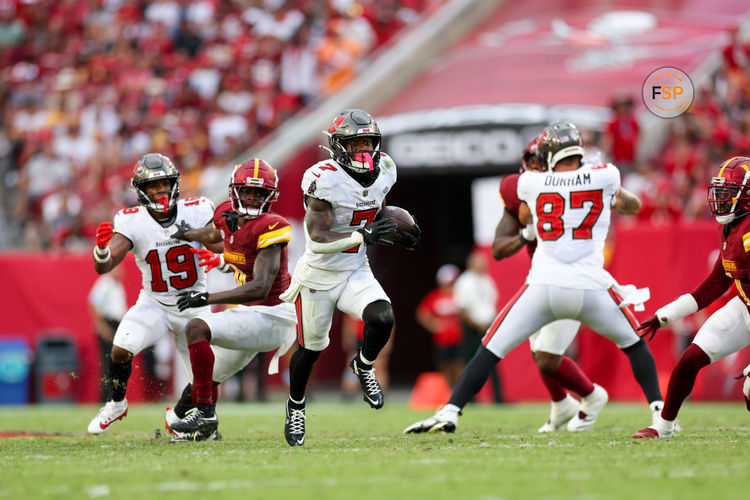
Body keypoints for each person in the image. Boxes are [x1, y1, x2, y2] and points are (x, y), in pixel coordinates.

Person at [405, 120, 663, 435]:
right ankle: (648, 411)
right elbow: (629, 205)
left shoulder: (529, 183)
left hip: (546, 283)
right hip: (583, 283)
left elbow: (531, 212)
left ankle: (452, 410)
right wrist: (597, 186)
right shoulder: (603, 176)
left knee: (493, 348)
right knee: (610, 347)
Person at [279, 108, 420, 446]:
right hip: (319, 273)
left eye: (367, 142)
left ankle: (364, 363)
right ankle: (296, 407)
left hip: (355, 268)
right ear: (339, 146)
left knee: (382, 317)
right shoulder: (323, 178)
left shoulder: (385, 167)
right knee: (311, 349)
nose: (362, 150)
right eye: (355, 142)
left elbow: (377, 206)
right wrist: (364, 236)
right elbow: (318, 238)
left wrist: (406, 226)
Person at [165, 158, 298, 441]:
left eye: (259, 193)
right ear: (234, 191)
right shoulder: (226, 213)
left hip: (272, 315)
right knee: (205, 381)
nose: (252, 198)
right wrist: (186, 233)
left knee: (196, 327)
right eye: (247, 192)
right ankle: (193, 424)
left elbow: (260, 287)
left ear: (270, 197)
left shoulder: (271, 227)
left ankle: (206, 416)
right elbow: (215, 235)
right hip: (250, 315)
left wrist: (207, 297)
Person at [86, 153, 216, 434]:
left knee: (207, 379)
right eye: (153, 187)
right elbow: (105, 265)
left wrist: (196, 234)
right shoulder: (132, 221)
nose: (160, 191)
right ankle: (116, 403)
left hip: (194, 304)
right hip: (155, 304)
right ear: (141, 192)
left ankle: (180, 417)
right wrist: (101, 250)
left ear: (175, 184)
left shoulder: (198, 208)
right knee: (120, 349)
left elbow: (219, 242)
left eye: (165, 184)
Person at [490, 136, 602, 431]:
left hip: (575, 276)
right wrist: (526, 234)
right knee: (537, 346)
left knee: (546, 354)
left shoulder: (577, 187)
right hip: (542, 278)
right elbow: (498, 249)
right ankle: (562, 404)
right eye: (532, 163)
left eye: (541, 163)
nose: (535, 169)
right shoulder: (519, 190)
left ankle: (595, 396)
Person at [633, 156, 750, 439]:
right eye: (718, 193)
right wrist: (665, 315)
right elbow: (712, 286)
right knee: (689, 360)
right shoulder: (734, 227)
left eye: (727, 194)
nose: (719, 200)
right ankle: (664, 426)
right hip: (746, 305)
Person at [453, 251, 502, 403]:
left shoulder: (487, 280)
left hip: (488, 327)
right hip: (472, 328)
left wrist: (489, 323)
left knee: (492, 362)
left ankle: (498, 398)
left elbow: (492, 303)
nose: (483, 266)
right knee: (470, 362)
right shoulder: (465, 281)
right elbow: (462, 308)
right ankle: (470, 398)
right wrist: (477, 324)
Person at [416, 264, 465, 388]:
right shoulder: (435, 296)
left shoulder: (459, 296)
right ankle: (447, 393)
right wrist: (434, 326)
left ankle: (458, 392)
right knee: (444, 368)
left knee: (459, 367)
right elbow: (422, 314)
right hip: (442, 340)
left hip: (458, 339)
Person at [88, 265, 127, 402]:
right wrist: (101, 325)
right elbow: (93, 302)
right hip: (108, 324)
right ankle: (106, 397)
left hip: (116, 325)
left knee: (115, 361)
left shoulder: (117, 286)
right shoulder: (105, 283)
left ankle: (113, 396)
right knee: (108, 361)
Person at [341, 313, 394, 400]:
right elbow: (348, 321)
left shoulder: (380, 301)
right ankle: (348, 395)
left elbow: (390, 321)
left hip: (376, 337)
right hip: (358, 338)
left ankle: (379, 396)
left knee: (379, 368)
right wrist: (348, 338)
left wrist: (388, 340)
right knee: (352, 367)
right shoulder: (352, 302)